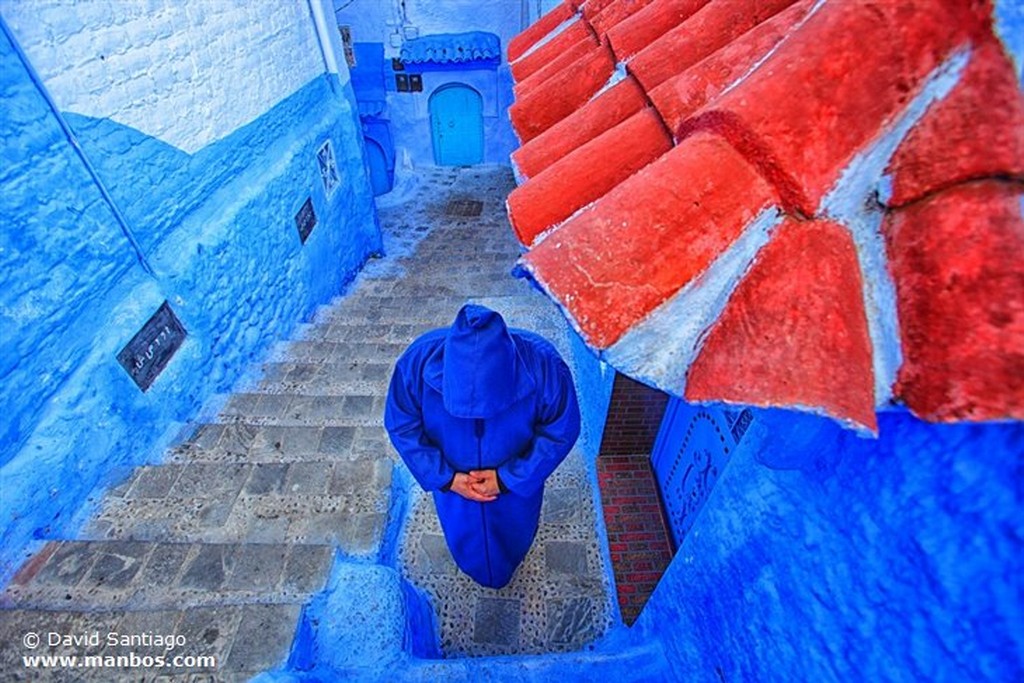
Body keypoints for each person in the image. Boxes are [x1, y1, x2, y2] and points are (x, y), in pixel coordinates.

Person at [384, 304, 581, 589]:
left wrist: (508, 478)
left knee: (515, 529)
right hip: (454, 486)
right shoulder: (417, 363)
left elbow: (561, 428)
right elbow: (402, 424)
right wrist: (447, 478)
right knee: (463, 532)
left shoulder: (543, 365)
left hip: (515, 488)